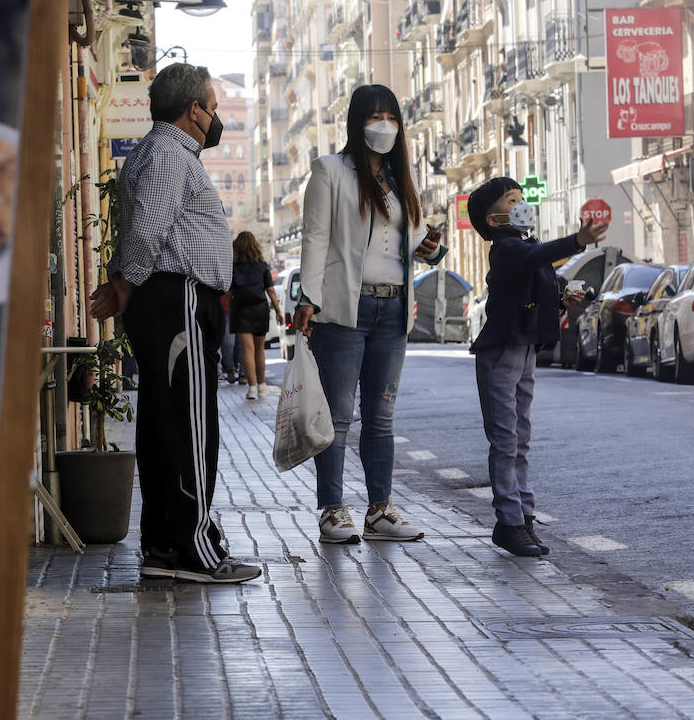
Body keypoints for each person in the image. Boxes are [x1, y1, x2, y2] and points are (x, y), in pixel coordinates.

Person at [88, 62, 262, 585]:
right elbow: (146, 232)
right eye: (213, 106)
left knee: (166, 424)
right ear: (194, 110)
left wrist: (124, 282)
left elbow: (139, 230)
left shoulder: (157, 151)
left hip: (170, 299)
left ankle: (164, 547)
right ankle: (195, 550)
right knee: (190, 425)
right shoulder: (168, 153)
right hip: (178, 298)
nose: (215, 117)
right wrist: (124, 285)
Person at [293, 84, 448, 545]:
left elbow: (413, 241)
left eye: (391, 117)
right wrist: (307, 297)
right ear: (356, 122)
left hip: (395, 308)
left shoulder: (401, 180)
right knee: (338, 416)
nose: (384, 126)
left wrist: (432, 249)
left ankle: (380, 510)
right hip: (344, 309)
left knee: (381, 418)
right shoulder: (330, 171)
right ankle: (332, 510)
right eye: (374, 116)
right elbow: (315, 239)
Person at [466, 177, 605, 557]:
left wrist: (563, 300)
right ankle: (509, 523)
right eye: (512, 200)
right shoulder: (507, 250)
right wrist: (578, 240)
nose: (522, 204)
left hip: (525, 350)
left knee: (520, 437)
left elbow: (534, 292)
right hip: (501, 353)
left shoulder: (524, 249)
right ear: (494, 220)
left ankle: (523, 517)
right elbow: (537, 258)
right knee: (506, 440)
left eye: (521, 198)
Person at [230, 231, 284, 400]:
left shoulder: (233, 267)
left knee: (247, 349)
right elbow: (271, 290)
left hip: (241, 310)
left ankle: (251, 388)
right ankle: (262, 386)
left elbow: (227, 292)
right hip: (260, 310)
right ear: (255, 246)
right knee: (259, 349)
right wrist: (278, 311)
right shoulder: (262, 266)